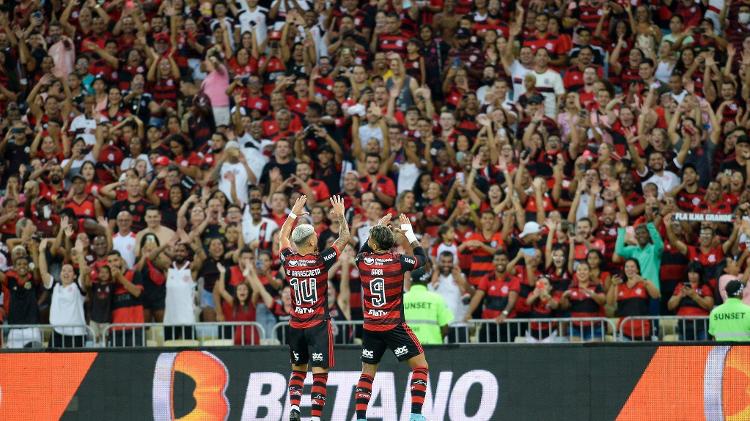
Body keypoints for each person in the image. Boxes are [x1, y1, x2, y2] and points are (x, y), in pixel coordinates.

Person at [279, 194, 350, 421]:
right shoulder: (321, 261)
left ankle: (295, 407)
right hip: (318, 324)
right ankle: (316, 417)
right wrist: (341, 216)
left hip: (295, 324)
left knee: (297, 371)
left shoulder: (289, 261)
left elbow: (282, 237)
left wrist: (293, 213)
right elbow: (344, 237)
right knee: (320, 374)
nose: (318, 238)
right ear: (310, 242)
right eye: (315, 236)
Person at [354, 213, 429, 421]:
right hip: (394, 326)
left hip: (371, 327)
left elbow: (363, 251)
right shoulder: (399, 261)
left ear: (373, 245)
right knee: (421, 367)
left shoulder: (362, 261)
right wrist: (409, 233)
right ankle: (415, 415)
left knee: (367, 373)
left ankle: (360, 417)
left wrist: (378, 227)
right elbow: (422, 259)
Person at [39, 238, 88, 347]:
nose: (66, 273)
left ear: (74, 275)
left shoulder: (78, 287)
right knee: (54, 364)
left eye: (69, 271)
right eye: (63, 270)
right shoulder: (55, 286)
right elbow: (43, 272)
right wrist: (42, 252)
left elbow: (84, 273)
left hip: (76, 334)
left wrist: (80, 255)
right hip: (57, 333)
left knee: (75, 364)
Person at [404, 264, 454, 344]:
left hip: (409, 347)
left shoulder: (402, 300)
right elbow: (445, 328)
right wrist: (438, 339)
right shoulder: (437, 299)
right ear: (426, 281)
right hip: (433, 346)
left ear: (411, 281)